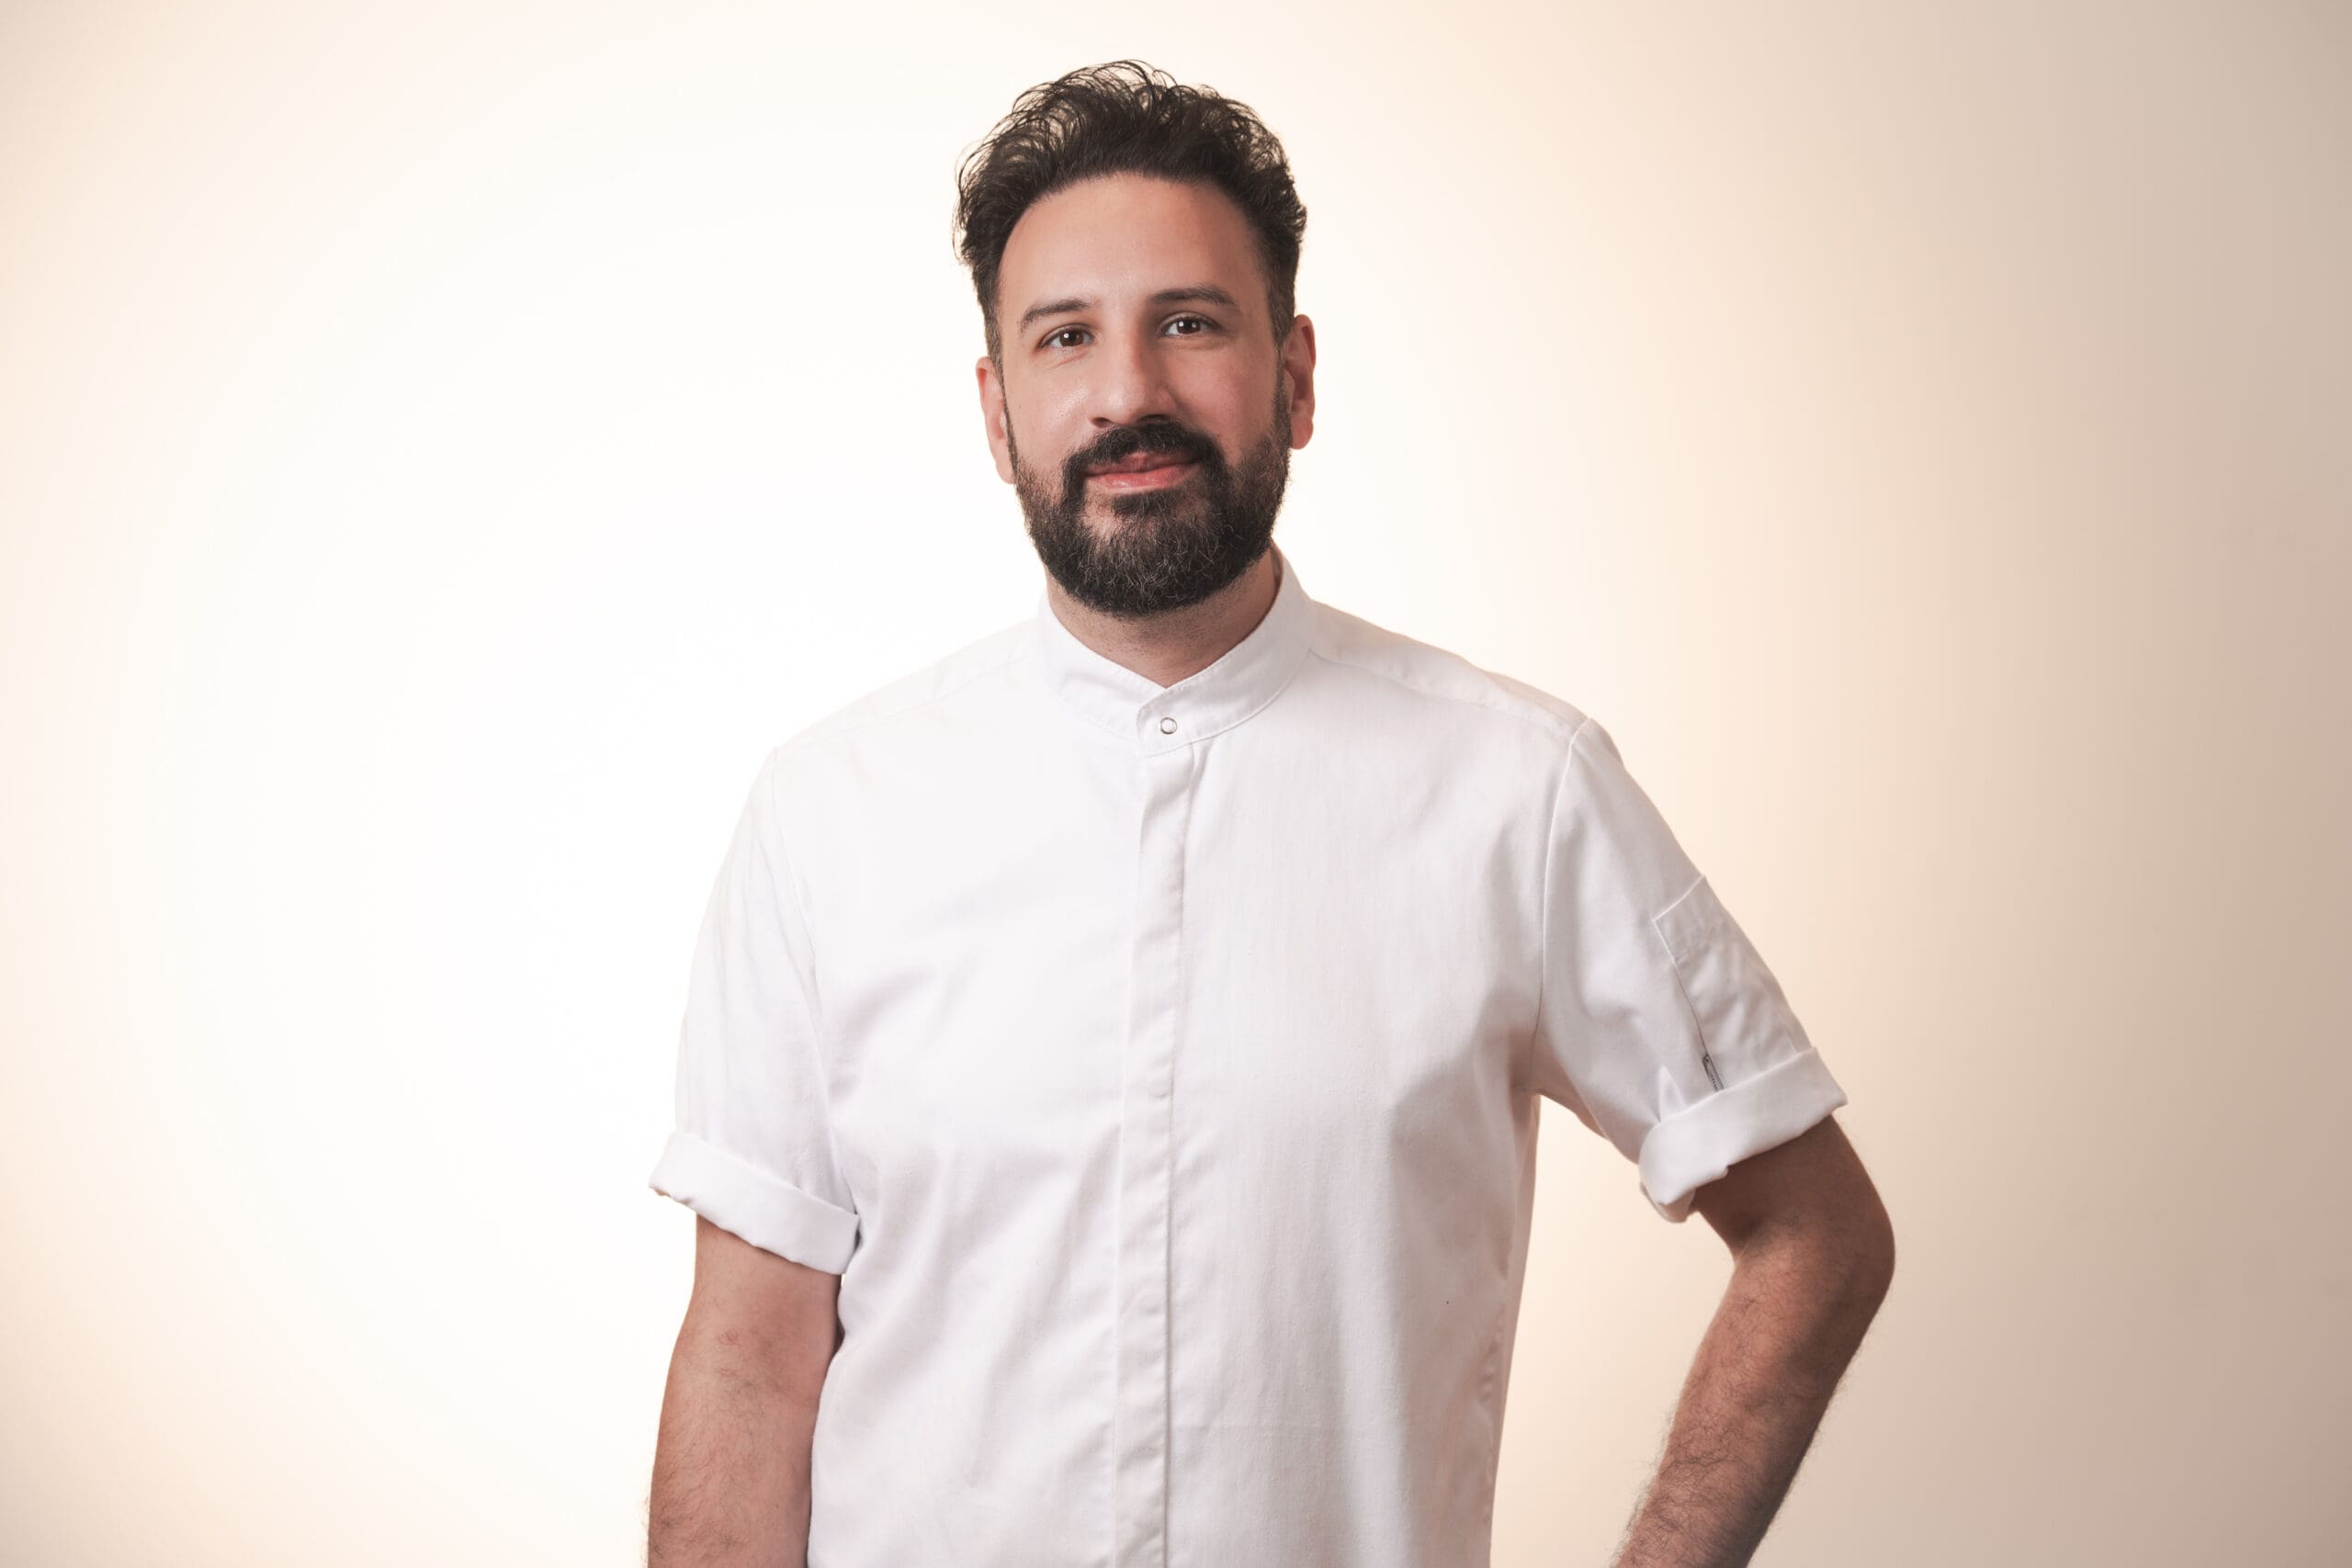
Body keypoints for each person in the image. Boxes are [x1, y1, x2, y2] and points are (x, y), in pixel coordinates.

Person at [646, 59, 1894, 1568]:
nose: (1128, 393)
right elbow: (748, 1362)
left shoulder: (1518, 793)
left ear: (1296, 375)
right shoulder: (829, 818)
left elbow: (1816, 1234)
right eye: (1065, 337)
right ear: (997, 411)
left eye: (1191, 322)